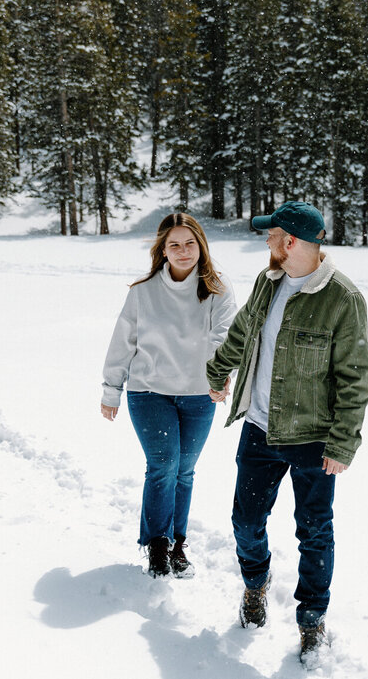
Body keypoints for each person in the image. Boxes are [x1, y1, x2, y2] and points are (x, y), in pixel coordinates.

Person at [206, 201, 368, 668]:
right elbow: (242, 332)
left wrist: (342, 443)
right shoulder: (268, 282)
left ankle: (312, 619)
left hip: (314, 439)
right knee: (245, 520)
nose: (266, 242)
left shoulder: (343, 299)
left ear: (292, 242)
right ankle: (255, 583)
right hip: (260, 428)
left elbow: (354, 378)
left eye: (272, 234)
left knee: (314, 532)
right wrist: (218, 370)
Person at [101, 213, 236, 578]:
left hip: (198, 395)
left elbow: (222, 338)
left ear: (201, 246)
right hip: (149, 392)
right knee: (163, 465)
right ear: (162, 249)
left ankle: (178, 544)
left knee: (185, 471)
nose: (182, 251)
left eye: (189, 243)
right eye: (174, 244)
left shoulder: (217, 291)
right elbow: (122, 342)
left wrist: (219, 377)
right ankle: (157, 545)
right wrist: (111, 389)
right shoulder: (142, 292)